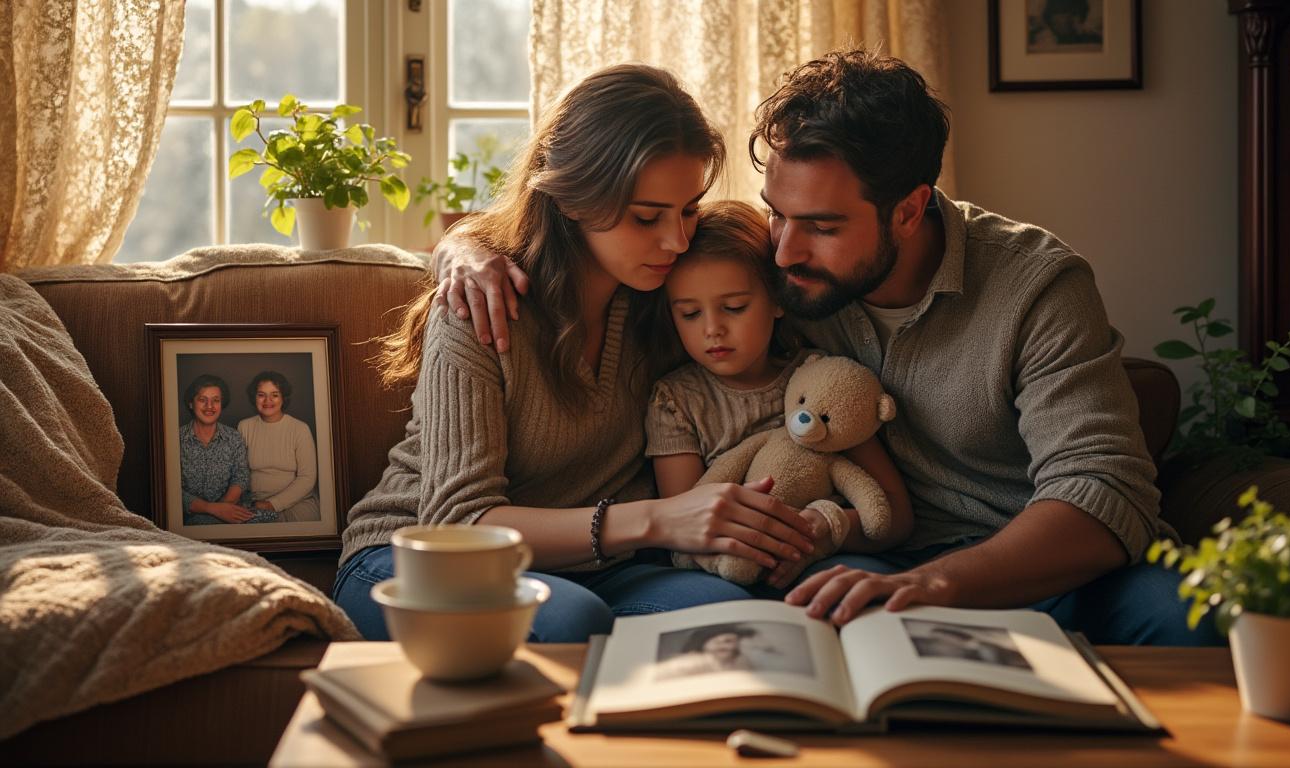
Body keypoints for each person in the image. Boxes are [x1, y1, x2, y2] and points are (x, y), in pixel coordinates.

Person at [434, 50, 1222, 646]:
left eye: (822, 227)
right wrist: (462, 247)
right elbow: (592, 226)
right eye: (777, 212)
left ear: (910, 211)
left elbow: (1101, 495)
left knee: (1186, 619)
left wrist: (933, 584)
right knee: (816, 622)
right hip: (873, 556)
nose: (784, 250)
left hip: (1039, 563)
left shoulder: (1037, 285)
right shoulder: (771, 278)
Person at [334, 63, 819, 643]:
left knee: (736, 614)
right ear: (574, 196)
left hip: (599, 567)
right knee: (571, 621)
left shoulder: (666, 298)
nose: (677, 240)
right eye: (646, 217)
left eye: (688, 208)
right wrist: (659, 520)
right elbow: (456, 523)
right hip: (414, 560)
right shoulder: (481, 303)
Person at [645, 199, 914, 590]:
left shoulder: (818, 379)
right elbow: (682, 529)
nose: (712, 330)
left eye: (734, 307)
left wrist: (824, 530)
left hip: (830, 556)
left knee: (866, 590)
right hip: (724, 570)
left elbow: (895, 516)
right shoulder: (675, 401)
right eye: (689, 314)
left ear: (777, 301)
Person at [236, 370, 320, 523]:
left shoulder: (300, 429)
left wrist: (272, 504)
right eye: (261, 395)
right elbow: (238, 472)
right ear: (254, 398)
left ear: (283, 398)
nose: (267, 400)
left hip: (297, 503)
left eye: (274, 395)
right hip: (255, 503)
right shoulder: (244, 426)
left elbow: (307, 478)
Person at [180, 374, 251, 526]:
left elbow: (241, 476)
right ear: (191, 403)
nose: (209, 406)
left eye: (216, 400)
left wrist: (225, 507)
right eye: (202, 400)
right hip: (189, 517)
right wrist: (212, 509)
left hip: (232, 511)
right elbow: (172, 490)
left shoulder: (234, 437)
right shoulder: (175, 439)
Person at [654, 624, 757, 679]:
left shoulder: (743, 661)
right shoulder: (688, 662)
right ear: (702, 644)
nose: (722, 644)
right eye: (715, 641)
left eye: (729, 641)